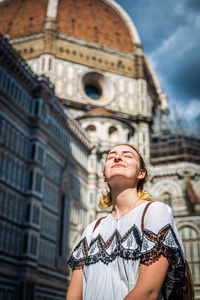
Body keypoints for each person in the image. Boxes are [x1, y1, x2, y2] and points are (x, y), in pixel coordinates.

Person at [66, 144, 186, 300]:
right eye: (110, 157)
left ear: (141, 173)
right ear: (104, 175)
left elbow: (148, 292)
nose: (117, 157)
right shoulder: (92, 230)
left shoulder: (155, 212)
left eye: (127, 155)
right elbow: (73, 295)